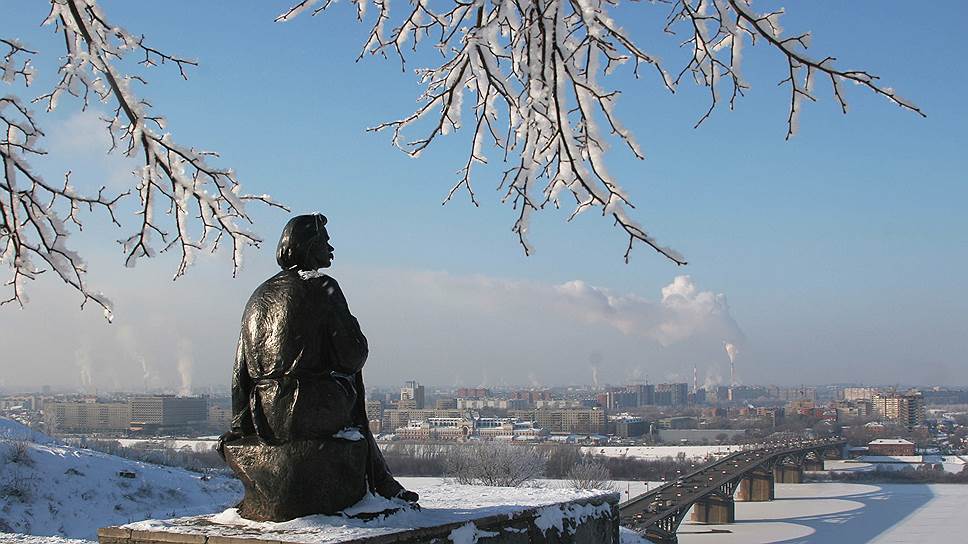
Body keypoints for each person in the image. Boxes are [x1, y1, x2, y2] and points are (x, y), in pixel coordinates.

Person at [220, 213, 417, 504]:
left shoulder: (259, 294)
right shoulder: (322, 286)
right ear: (309, 246)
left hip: (266, 413)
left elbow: (241, 370)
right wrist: (353, 326)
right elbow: (352, 356)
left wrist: (241, 426)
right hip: (307, 407)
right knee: (349, 377)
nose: (331, 249)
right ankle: (380, 482)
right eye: (325, 241)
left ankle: (382, 481)